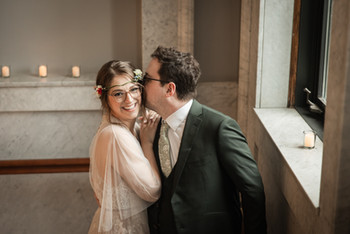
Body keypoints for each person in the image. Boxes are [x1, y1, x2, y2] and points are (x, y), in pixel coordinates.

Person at [142, 46, 267, 234]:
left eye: (147, 79)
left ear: (170, 89)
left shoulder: (220, 127)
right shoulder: (152, 128)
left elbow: (252, 190)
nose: (142, 84)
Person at [88, 60, 161, 234]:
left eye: (134, 89)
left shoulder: (131, 127)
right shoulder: (115, 135)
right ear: (105, 98)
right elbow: (152, 191)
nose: (129, 99)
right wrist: (147, 143)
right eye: (118, 93)